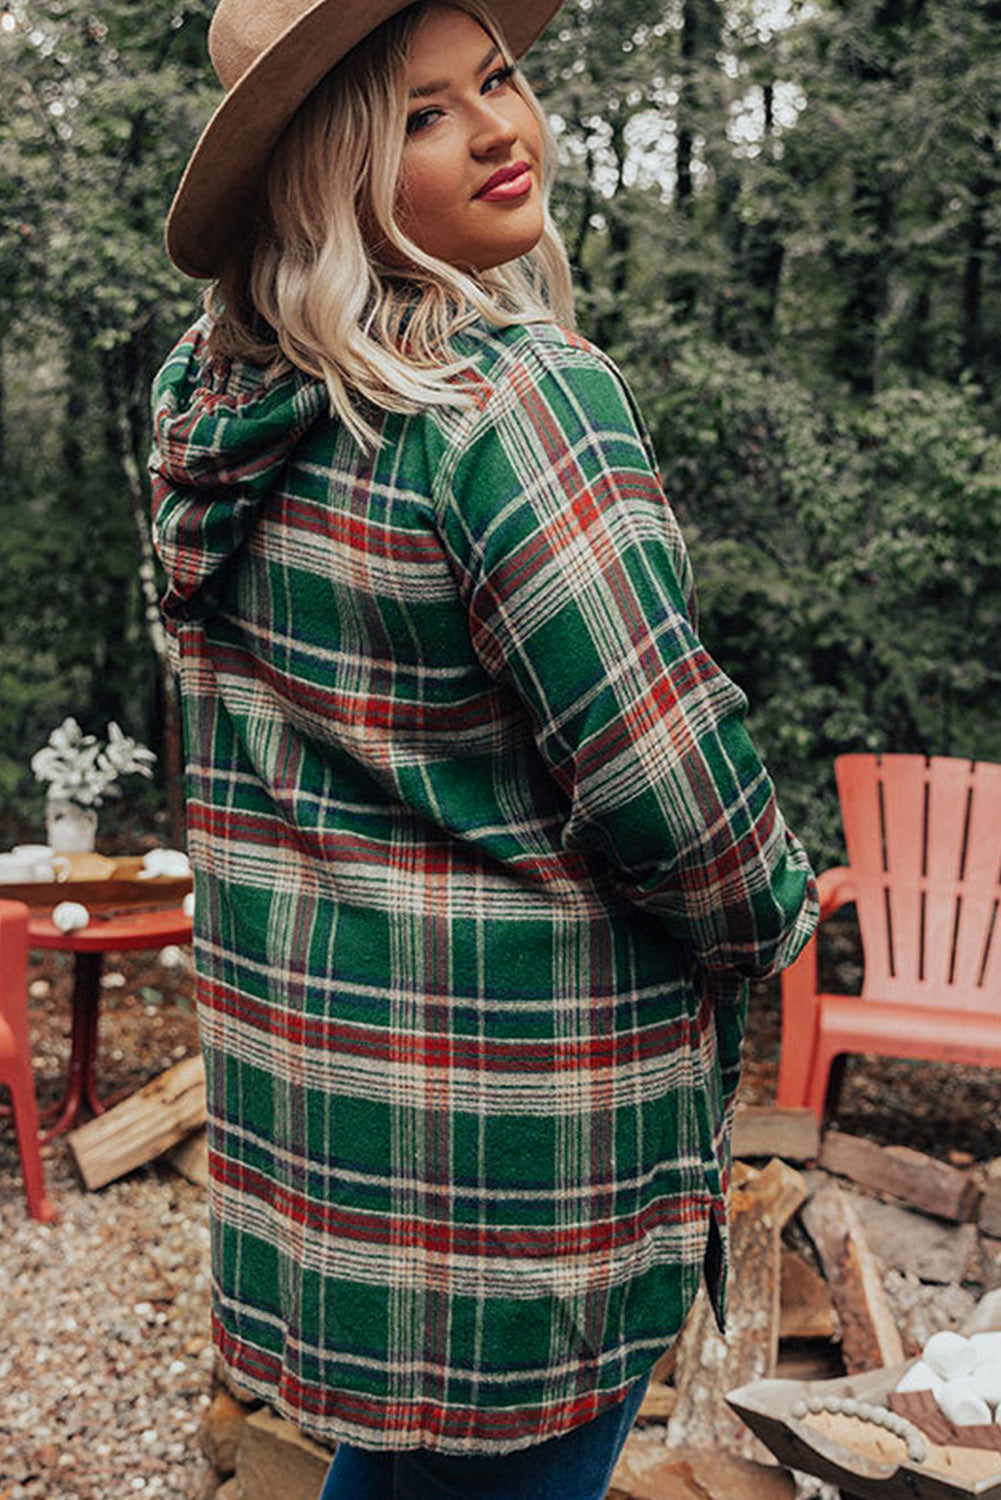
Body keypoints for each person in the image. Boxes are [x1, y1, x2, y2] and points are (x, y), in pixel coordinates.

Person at [150, 1, 819, 1496]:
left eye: (498, 79)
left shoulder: (219, 409)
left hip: (331, 1109)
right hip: (518, 1127)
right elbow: (667, 784)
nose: (501, 130)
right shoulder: (507, 401)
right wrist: (773, 913)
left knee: (397, 1465)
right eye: (421, 115)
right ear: (327, 171)